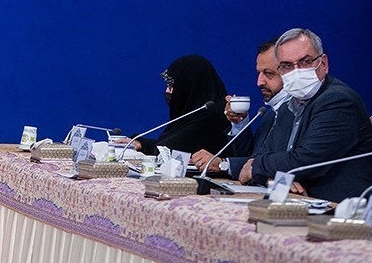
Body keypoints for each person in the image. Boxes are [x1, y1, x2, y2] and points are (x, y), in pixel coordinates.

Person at [238, 28, 372, 202]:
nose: (297, 71)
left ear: (323, 63)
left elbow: (305, 161)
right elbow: (262, 155)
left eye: (305, 61)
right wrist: (272, 178)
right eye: (287, 65)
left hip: (339, 208)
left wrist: (258, 167)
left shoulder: (337, 100)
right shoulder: (288, 107)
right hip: (298, 204)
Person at [190, 38, 294, 179]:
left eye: (268, 73)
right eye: (258, 73)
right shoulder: (269, 114)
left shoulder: (296, 113)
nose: (259, 82)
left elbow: (275, 164)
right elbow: (250, 159)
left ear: (289, 72)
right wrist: (240, 123)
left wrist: (223, 164)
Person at [131, 55, 230, 157]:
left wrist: (144, 145)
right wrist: (141, 144)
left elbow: (172, 149)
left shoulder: (212, 116)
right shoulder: (193, 114)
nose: (167, 91)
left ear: (189, 87)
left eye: (171, 86)